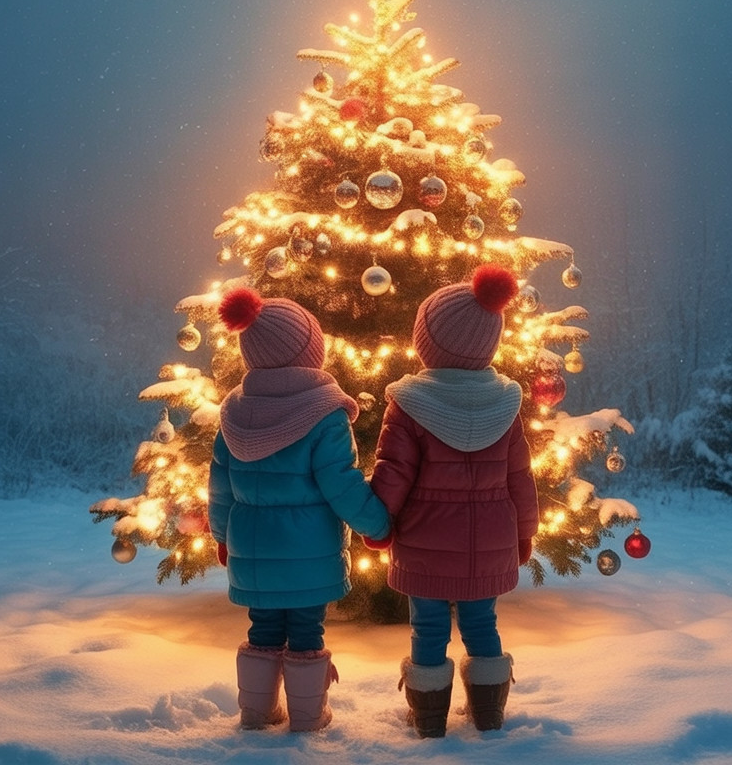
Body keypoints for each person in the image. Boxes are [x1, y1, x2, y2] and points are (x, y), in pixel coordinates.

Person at [208, 287, 391, 732]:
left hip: (252, 551)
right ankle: (309, 716)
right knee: (307, 631)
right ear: (312, 351)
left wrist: (221, 537)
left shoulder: (234, 413)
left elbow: (219, 487)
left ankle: (256, 711)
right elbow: (341, 482)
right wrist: (376, 523)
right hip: (310, 554)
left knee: (263, 628)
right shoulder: (324, 414)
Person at [367, 264, 539, 738]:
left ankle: (428, 718)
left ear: (428, 342)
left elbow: (392, 473)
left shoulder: (408, 403)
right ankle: (488, 714)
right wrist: (524, 534)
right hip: (490, 542)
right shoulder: (506, 404)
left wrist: (377, 526)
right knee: (483, 624)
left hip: (424, 543)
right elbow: (520, 480)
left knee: (428, 629)